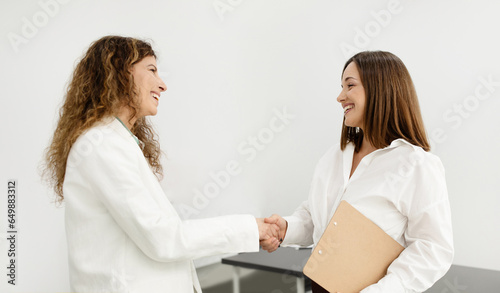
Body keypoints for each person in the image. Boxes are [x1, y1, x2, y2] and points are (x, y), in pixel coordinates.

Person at [42, 35, 281, 293]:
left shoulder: (116, 142)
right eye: (152, 70)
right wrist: (250, 228)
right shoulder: (101, 146)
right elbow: (164, 239)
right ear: (120, 72)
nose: (162, 85)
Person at [260, 51, 454, 292]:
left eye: (350, 85)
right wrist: (285, 228)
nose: (340, 97)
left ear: (380, 88)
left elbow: (433, 249)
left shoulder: (416, 165)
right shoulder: (335, 156)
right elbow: (317, 218)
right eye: (341, 87)